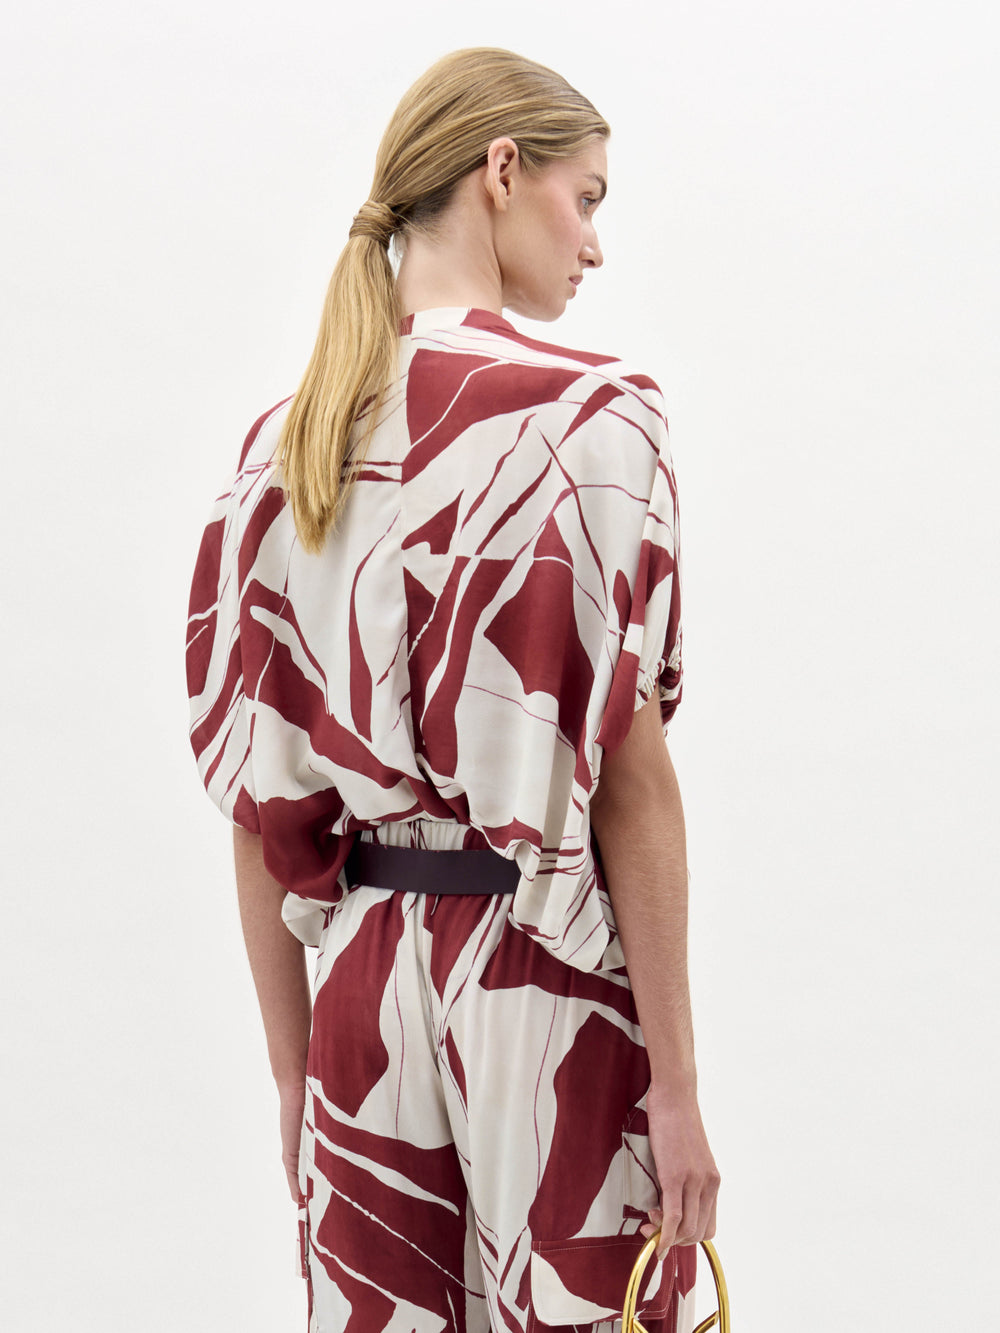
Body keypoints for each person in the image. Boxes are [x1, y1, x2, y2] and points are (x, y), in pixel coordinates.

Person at [186, 46, 720, 1333]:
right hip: (533, 968)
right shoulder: (594, 421)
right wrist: (679, 1092)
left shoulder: (282, 449)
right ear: (500, 171)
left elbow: (264, 819)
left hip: (364, 985)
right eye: (585, 197)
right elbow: (632, 795)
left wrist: (292, 1073)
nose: (592, 244)